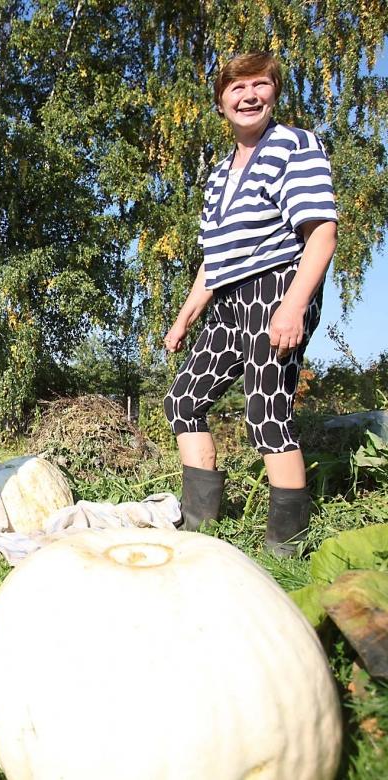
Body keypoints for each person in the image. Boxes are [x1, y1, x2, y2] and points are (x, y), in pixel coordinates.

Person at [163, 53, 338, 556]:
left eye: (260, 84)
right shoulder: (219, 175)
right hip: (229, 299)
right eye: (237, 88)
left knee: (265, 413)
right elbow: (214, 259)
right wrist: (184, 318)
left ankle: (286, 547)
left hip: (277, 286)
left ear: (274, 93)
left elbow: (321, 233)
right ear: (221, 102)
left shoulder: (295, 145)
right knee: (183, 401)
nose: (249, 96)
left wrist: (293, 306)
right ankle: (200, 525)